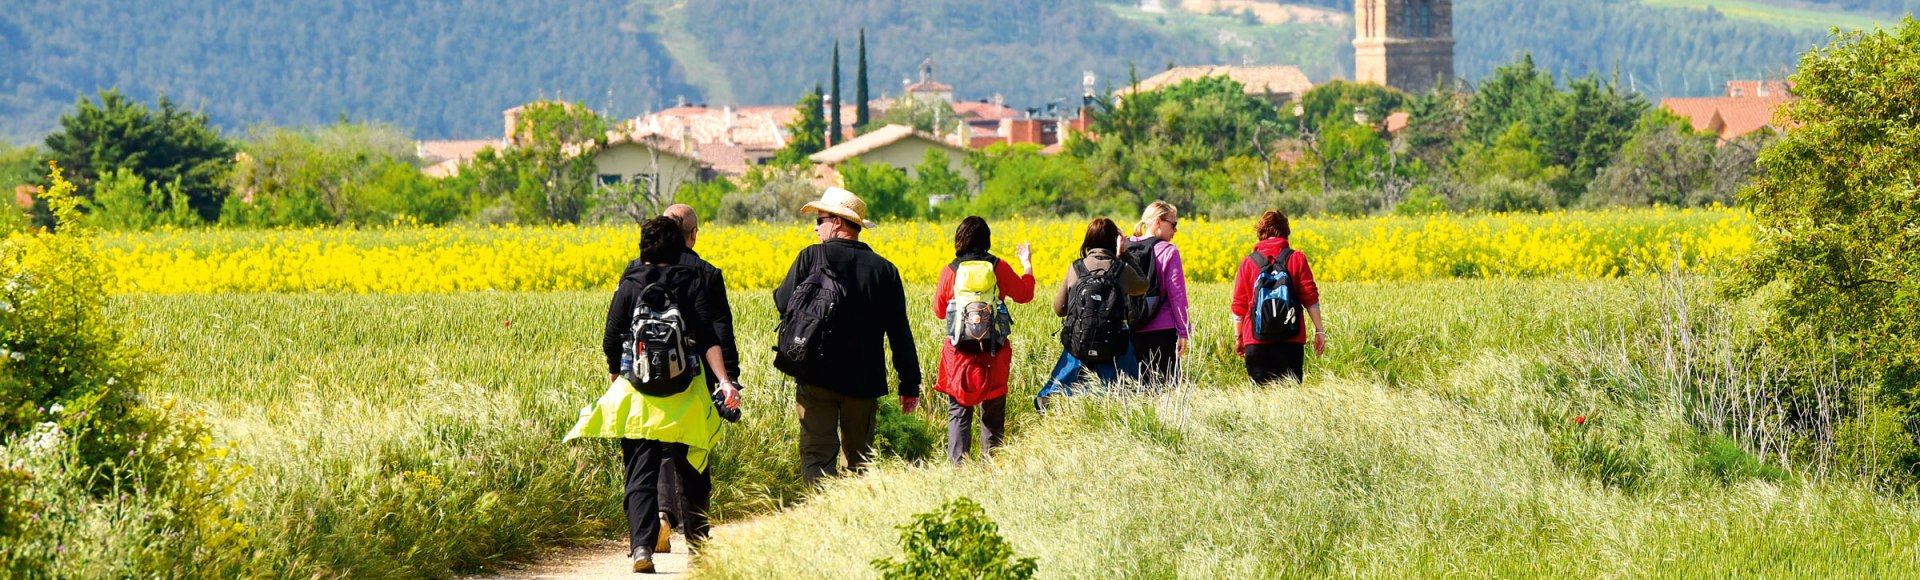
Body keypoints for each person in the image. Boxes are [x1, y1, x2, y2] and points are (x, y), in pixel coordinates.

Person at [565, 216, 741, 573]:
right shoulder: (690, 281)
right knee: (693, 469)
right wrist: (724, 381)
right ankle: (698, 546)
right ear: (679, 247)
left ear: (642, 246)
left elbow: (611, 339)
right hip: (686, 392)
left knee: (639, 471)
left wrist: (618, 379)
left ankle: (642, 548)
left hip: (638, 393)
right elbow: (708, 337)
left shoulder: (629, 284)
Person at [772, 187, 922, 487]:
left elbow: (782, 302)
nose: (816, 227)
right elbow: (899, 332)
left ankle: (821, 517)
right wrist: (909, 384)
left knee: (817, 454)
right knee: (859, 459)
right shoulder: (885, 271)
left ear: (838, 222)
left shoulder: (810, 258)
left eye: (820, 219)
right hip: (862, 382)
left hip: (814, 375)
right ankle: (850, 521)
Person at [625, 204, 736, 554]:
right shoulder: (704, 273)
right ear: (693, 235)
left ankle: (660, 517)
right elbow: (716, 331)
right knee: (692, 455)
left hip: (643, 380)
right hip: (693, 378)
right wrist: (727, 378)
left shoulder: (633, 274)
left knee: (652, 451)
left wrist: (620, 379)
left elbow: (617, 333)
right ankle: (697, 539)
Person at [930, 216, 1035, 465]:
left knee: (958, 412)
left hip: (959, 356)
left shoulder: (951, 270)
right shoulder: (998, 267)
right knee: (993, 411)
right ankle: (993, 467)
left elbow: (938, 310)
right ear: (986, 239)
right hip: (993, 352)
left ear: (959, 239)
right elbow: (1025, 294)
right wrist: (1027, 266)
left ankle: (958, 469)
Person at [1038, 217, 1149, 407]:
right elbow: (1143, 285)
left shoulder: (1076, 268)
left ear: (1088, 240)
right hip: (1115, 345)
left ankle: (1052, 397)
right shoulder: (1121, 269)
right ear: (1115, 241)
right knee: (1132, 390)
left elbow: (1059, 309)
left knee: (1069, 362)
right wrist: (1124, 254)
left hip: (1080, 344)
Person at [1230, 210, 1326, 384]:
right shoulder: (1297, 258)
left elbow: (1239, 305)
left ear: (1261, 232)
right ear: (1285, 232)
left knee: (1260, 401)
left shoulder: (1248, 262)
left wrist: (1239, 337)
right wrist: (1319, 330)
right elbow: (1311, 298)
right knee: (1289, 399)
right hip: (1291, 339)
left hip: (1256, 340)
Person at [1123, 201, 1191, 386]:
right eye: (1173, 224)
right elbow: (1178, 295)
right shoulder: (1169, 251)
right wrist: (1184, 331)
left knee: (1137, 390)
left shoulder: (1126, 248)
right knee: (1166, 390)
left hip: (1132, 330)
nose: (1175, 230)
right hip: (1162, 331)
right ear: (1159, 222)